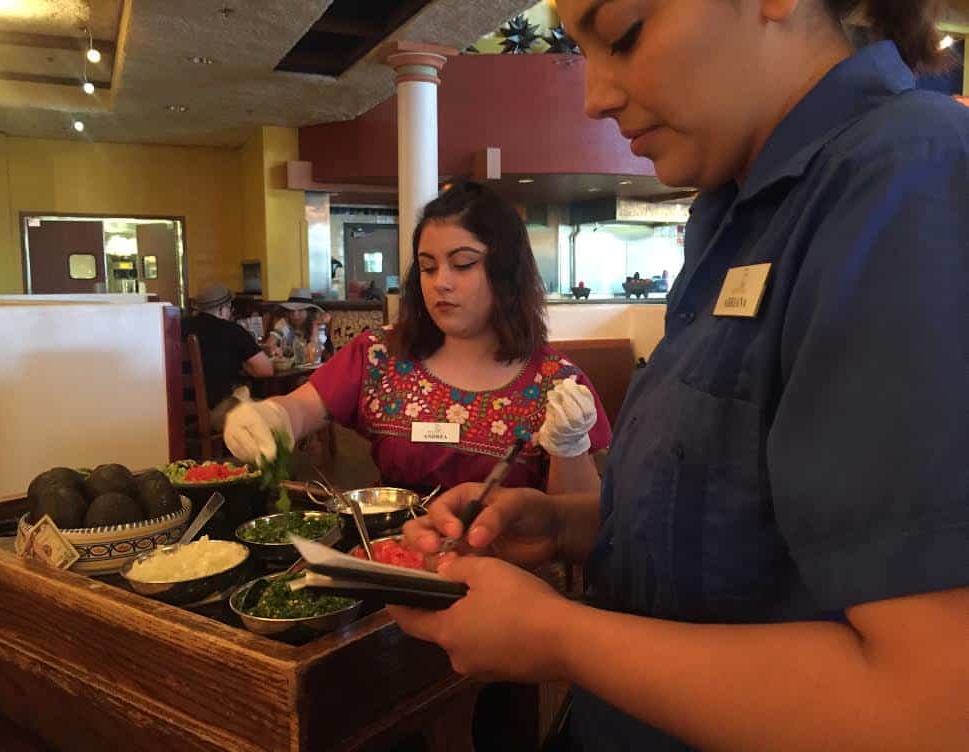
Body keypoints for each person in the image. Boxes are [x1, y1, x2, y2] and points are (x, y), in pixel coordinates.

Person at [391, 2, 969, 751]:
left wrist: (558, 636)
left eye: (624, 33)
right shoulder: (732, 212)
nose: (594, 95)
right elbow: (755, 522)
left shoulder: (907, 176)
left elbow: (932, 708)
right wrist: (566, 526)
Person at [223, 180, 613, 495]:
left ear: (506, 272)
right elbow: (301, 408)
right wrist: (270, 417)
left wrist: (569, 447)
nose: (441, 283)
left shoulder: (556, 383)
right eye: (428, 268)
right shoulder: (380, 354)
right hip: (392, 560)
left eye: (463, 264)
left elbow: (579, 518)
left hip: (504, 577)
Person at [183, 284, 273, 430]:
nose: (230, 313)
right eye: (230, 308)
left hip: (177, 410)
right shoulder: (232, 331)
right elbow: (266, 370)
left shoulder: (179, 327)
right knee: (270, 409)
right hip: (219, 410)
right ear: (221, 309)